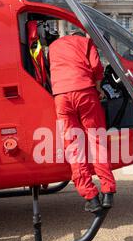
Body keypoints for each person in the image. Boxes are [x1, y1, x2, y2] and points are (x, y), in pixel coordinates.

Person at [48, 31, 116, 213]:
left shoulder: (53, 46)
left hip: (61, 96)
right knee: (97, 141)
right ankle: (108, 191)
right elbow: (96, 67)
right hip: (85, 91)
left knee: (73, 146)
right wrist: (99, 87)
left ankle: (90, 196)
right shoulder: (86, 42)